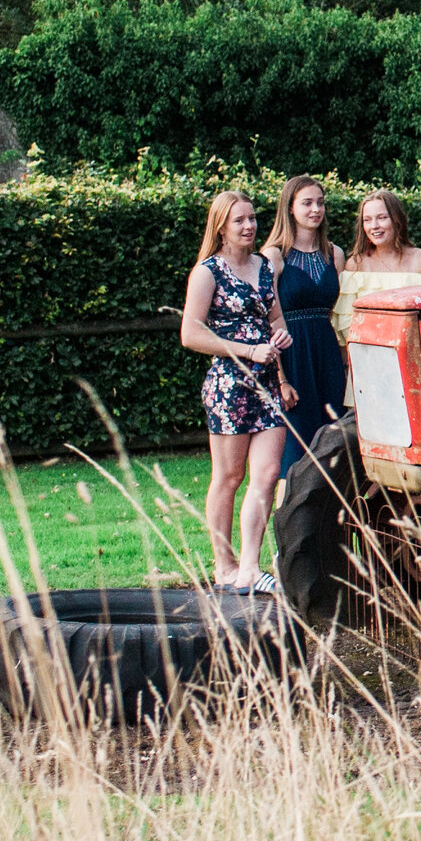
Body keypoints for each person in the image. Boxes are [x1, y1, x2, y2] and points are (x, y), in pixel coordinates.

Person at [180, 190, 294, 594]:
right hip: (229, 386)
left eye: (252, 218)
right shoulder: (207, 272)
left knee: (265, 475)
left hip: (268, 384)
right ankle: (224, 566)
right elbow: (190, 333)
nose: (249, 226)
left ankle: (248, 568)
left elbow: (275, 314)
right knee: (229, 477)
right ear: (221, 227)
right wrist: (248, 350)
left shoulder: (265, 267)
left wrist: (281, 336)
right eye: (239, 221)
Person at [263, 175, 350, 475]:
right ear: (289, 208)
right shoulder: (274, 255)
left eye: (321, 203)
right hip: (292, 354)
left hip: (327, 354)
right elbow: (268, 319)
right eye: (307, 203)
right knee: (295, 449)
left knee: (334, 442)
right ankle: (286, 519)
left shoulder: (334, 254)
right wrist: (281, 378)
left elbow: (340, 313)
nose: (316, 209)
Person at [334, 188, 421, 340]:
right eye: (367, 220)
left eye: (382, 217)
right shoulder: (356, 265)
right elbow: (346, 324)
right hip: (368, 354)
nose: (374, 226)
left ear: (397, 220)